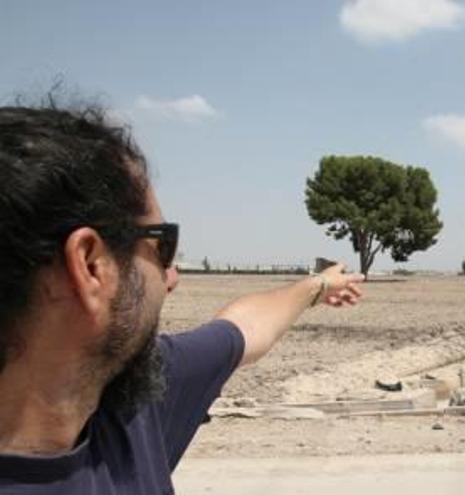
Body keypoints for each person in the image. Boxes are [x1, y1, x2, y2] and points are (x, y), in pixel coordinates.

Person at [0, 102, 364, 493]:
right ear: (90, 266)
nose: (172, 277)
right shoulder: (129, 412)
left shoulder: (129, 399)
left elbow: (244, 328)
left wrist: (320, 285)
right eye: (163, 245)